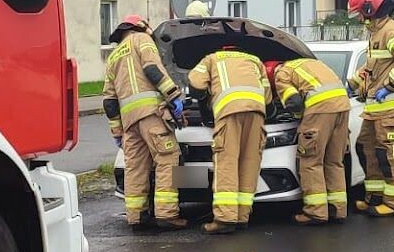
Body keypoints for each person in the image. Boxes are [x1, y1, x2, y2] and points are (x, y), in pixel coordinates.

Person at [102, 15, 186, 232]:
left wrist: (117, 133)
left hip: (130, 122)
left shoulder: (113, 57)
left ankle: (137, 217)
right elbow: (152, 69)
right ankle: (167, 214)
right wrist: (173, 95)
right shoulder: (142, 40)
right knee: (168, 159)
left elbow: (109, 101)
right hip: (151, 114)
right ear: (140, 27)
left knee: (135, 168)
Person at [346, 0, 394, 217]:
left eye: (360, 12)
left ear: (369, 7)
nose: (360, 18)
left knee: (390, 154)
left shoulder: (391, 31)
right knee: (366, 148)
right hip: (376, 109)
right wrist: (352, 84)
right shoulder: (376, 33)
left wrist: (388, 87)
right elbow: (372, 66)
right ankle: (375, 196)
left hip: (392, 107)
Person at [186, 46, 269, 234]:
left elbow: (196, 81)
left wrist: (202, 97)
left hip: (229, 110)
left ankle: (225, 218)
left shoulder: (211, 58)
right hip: (256, 112)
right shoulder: (255, 59)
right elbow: (268, 95)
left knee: (227, 162)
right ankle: (241, 216)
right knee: (249, 162)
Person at [270, 57, 351, 224]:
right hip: (343, 107)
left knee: (310, 160)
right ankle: (337, 209)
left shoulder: (281, 74)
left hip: (320, 109)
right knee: (334, 161)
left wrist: (301, 120)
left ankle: (316, 212)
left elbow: (295, 102)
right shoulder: (313, 63)